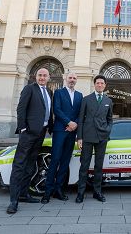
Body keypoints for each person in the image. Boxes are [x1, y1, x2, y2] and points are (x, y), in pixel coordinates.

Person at [7, 68, 54, 214]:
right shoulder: (29, 89)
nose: (42, 77)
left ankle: (23, 194)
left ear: (48, 77)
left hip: (41, 133)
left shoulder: (49, 92)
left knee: (30, 165)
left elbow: (48, 111)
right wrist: (22, 129)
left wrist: (49, 128)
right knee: (19, 165)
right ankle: (13, 201)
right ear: (36, 76)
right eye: (40, 75)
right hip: (28, 133)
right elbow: (21, 109)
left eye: (44, 75)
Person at [41, 72, 83, 204]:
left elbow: (80, 113)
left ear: (76, 80)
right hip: (60, 130)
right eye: (70, 77)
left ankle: (59, 190)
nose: (72, 80)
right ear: (65, 79)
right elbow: (56, 110)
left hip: (72, 132)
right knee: (55, 160)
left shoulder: (79, 95)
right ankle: (47, 192)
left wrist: (74, 124)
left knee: (65, 162)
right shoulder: (58, 92)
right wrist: (68, 122)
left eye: (74, 78)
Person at [75, 75, 113, 203]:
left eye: (102, 83)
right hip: (87, 136)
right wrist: (79, 137)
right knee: (84, 166)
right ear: (94, 84)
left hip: (102, 137)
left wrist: (107, 131)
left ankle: (97, 192)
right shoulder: (86, 99)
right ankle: (80, 193)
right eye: (98, 83)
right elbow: (80, 119)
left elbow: (110, 119)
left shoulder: (108, 101)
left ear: (105, 85)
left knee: (98, 166)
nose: (100, 85)